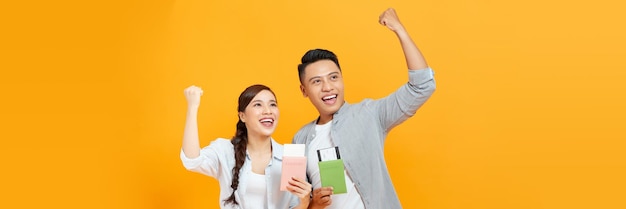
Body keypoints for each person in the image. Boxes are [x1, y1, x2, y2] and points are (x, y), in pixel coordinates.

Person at [292, 8, 436, 209]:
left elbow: (422, 86)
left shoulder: (369, 114)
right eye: (316, 81)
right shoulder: (299, 139)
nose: (328, 87)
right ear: (304, 90)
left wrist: (400, 30)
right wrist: (313, 204)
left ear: (342, 79)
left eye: (333, 77)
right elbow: (293, 202)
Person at [180, 84, 312, 209]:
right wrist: (192, 107)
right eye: (258, 105)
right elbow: (192, 161)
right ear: (242, 116)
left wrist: (304, 202)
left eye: (272, 104)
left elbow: (293, 205)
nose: (268, 111)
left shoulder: (290, 157)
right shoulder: (225, 150)